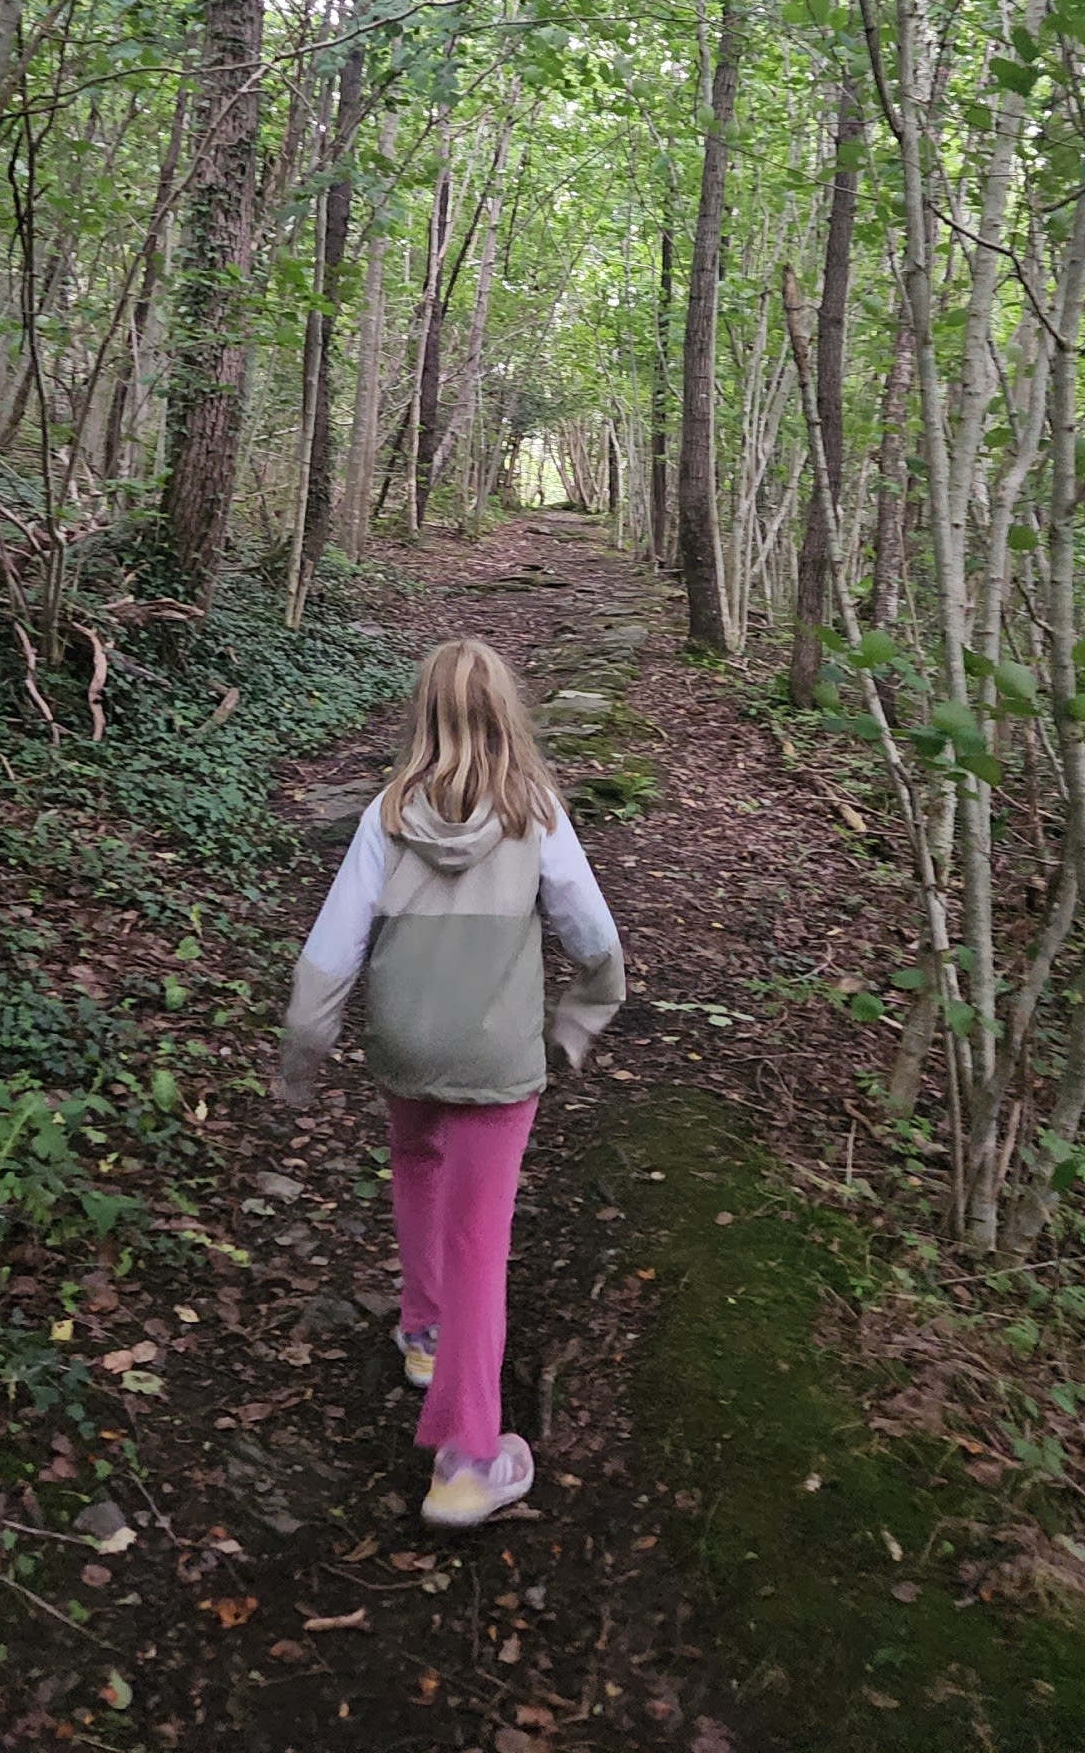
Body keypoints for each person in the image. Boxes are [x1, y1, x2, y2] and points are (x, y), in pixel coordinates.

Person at [276, 636, 625, 1528]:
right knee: (481, 1239)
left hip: (405, 1043)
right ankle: (469, 1457)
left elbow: (332, 946)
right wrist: (577, 1023)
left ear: (422, 714)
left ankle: (425, 1332)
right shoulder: (534, 812)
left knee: (416, 1168)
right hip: (493, 1055)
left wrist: (303, 1055)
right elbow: (593, 937)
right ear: (506, 711)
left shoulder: (387, 814)